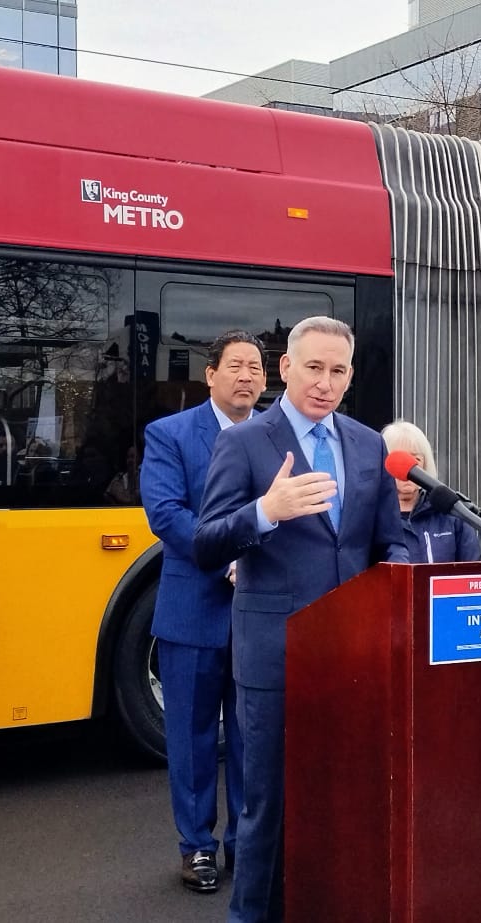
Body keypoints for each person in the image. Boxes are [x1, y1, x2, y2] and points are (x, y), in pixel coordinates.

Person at [194, 316, 408, 923]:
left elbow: (389, 541)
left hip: (352, 652)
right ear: (286, 368)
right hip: (274, 655)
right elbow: (206, 543)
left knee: (343, 796)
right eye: (313, 368)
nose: (324, 383)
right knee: (269, 803)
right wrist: (265, 510)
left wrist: (394, 578)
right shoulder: (244, 442)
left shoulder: (367, 445)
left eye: (338, 371)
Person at [141, 331, 266, 894]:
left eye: (256, 368)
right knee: (192, 738)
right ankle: (196, 847)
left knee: (250, 737)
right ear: (210, 374)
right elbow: (166, 514)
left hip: (259, 613)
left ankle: (246, 843)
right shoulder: (169, 434)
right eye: (235, 366)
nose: (247, 376)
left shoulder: (277, 435)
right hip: (193, 610)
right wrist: (229, 558)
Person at [380, 420, 481, 563]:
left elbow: (472, 569)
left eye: (415, 460)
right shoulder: (374, 518)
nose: (408, 469)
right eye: (400, 461)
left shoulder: (450, 514)